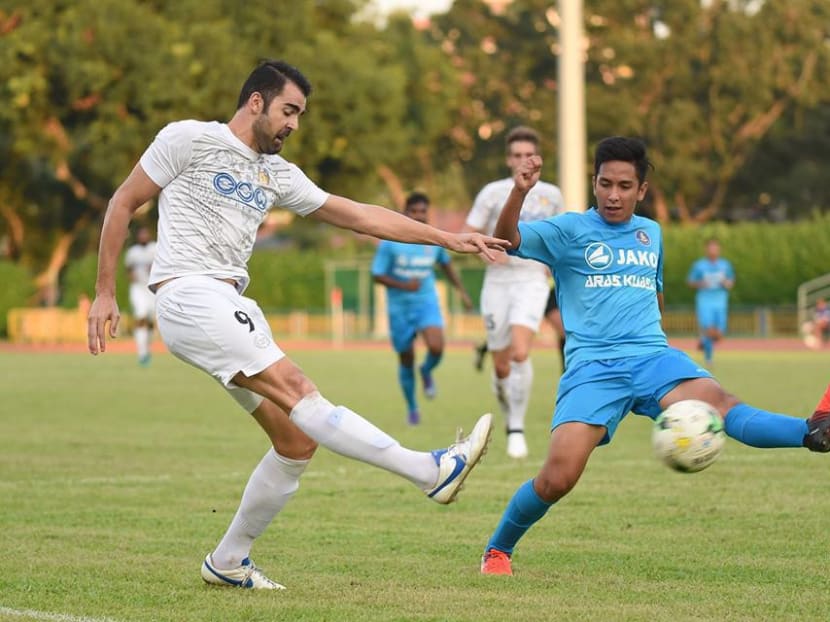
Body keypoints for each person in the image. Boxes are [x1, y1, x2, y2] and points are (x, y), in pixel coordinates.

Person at [86, 59, 507, 590]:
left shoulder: (277, 173)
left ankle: (228, 560)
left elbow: (360, 215)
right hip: (189, 294)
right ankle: (430, 471)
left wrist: (447, 238)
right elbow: (123, 201)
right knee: (301, 390)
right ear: (256, 102)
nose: (295, 124)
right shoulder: (189, 139)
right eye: (289, 110)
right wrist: (104, 292)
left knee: (294, 440)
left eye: (300, 114)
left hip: (226, 302)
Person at [478, 136, 830, 576]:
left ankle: (813, 432)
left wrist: (657, 345)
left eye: (625, 186)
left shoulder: (652, 233)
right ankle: (497, 550)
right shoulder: (568, 230)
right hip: (593, 369)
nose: (613, 195)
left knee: (721, 404)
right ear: (594, 182)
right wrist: (520, 190)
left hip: (651, 357)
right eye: (605, 184)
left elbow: (654, 295)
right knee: (558, 477)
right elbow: (504, 239)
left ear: (641, 190)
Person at [465, 126, 566, 459]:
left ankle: (516, 429)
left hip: (531, 280)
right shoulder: (493, 192)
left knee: (521, 352)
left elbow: (560, 236)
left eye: (529, 155)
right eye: (517, 155)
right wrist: (485, 253)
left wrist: (553, 264)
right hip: (497, 282)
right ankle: (508, 411)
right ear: (509, 160)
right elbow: (470, 232)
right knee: (501, 366)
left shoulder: (551, 195)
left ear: (537, 159)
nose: (523, 160)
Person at [371, 192, 474, 425]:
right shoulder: (390, 242)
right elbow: (377, 275)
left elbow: (446, 266)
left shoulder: (432, 240)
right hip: (399, 308)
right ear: (405, 213)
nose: (419, 216)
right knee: (406, 357)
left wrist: (462, 292)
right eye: (414, 211)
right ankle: (412, 407)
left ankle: (426, 370)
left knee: (437, 346)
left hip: (427, 303)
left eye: (422, 212)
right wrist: (403, 285)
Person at [686, 238, 735, 365]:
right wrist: (700, 283)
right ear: (706, 250)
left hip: (720, 301)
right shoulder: (699, 265)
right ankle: (709, 358)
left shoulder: (725, 265)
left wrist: (726, 283)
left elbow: (731, 282)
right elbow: (690, 282)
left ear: (719, 250)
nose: (713, 250)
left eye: (716, 248)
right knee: (709, 329)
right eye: (711, 248)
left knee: (719, 334)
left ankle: (703, 341)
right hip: (705, 301)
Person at [124, 225, 157, 366]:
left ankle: (146, 348)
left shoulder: (156, 248)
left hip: (152, 288)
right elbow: (128, 269)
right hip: (138, 288)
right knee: (140, 316)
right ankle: (142, 353)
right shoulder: (133, 252)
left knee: (150, 321)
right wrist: (133, 279)